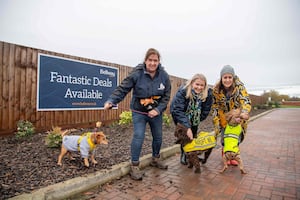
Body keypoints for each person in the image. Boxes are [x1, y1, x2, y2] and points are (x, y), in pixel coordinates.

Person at [103, 48, 171, 180]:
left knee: (158, 137)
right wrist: (111, 101)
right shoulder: (137, 73)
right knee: (138, 136)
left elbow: (166, 96)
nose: (152, 63)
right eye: (150, 60)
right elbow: (122, 89)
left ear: (158, 62)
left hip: (155, 112)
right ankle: (134, 166)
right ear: (145, 60)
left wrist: (157, 110)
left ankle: (155, 159)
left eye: (155, 60)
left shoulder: (164, 76)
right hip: (139, 111)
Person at [211, 65, 251, 166]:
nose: (227, 80)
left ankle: (233, 156)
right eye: (225, 77)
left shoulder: (239, 87)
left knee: (235, 137)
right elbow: (215, 105)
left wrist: (245, 112)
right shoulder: (216, 89)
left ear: (233, 78)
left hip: (237, 116)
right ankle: (226, 155)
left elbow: (245, 100)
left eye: (230, 77)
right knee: (225, 136)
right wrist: (217, 119)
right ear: (221, 78)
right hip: (224, 116)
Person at [170, 73, 213, 165]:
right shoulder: (183, 91)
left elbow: (206, 108)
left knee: (193, 135)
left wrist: (198, 119)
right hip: (181, 116)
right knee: (185, 137)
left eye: (202, 85)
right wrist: (187, 126)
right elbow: (177, 109)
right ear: (192, 83)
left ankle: (192, 153)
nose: (199, 87)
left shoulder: (207, 93)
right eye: (197, 84)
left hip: (195, 117)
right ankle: (184, 155)